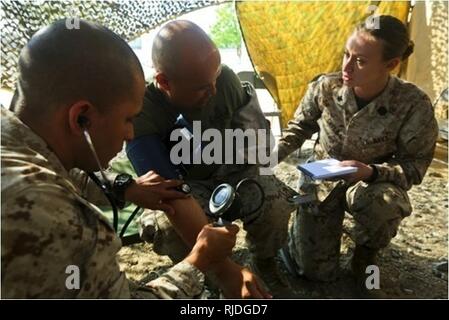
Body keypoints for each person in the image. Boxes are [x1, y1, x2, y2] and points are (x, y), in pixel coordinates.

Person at [1, 19, 241, 299]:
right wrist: (200, 260)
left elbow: (60, 172)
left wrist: (124, 186)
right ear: (82, 118)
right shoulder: (60, 220)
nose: (130, 134)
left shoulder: (19, 146)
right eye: (127, 119)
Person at [127, 20, 297, 291]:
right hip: (187, 186)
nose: (214, 91)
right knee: (169, 228)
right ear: (164, 81)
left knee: (274, 203)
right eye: (201, 87)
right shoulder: (142, 113)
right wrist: (223, 267)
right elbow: (171, 194)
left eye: (215, 78)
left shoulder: (224, 80)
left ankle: (265, 261)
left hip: (232, 169)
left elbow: (259, 146)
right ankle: (203, 275)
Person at [276, 15, 438, 292]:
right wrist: (266, 159)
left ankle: (366, 254)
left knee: (384, 204)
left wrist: (373, 172)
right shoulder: (326, 87)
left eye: (360, 61)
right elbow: (298, 128)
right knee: (315, 274)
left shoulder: (413, 104)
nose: (346, 66)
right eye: (346, 55)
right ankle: (304, 232)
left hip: (369, 184)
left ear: (391, 65)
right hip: (323, 179)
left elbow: (415, 166)